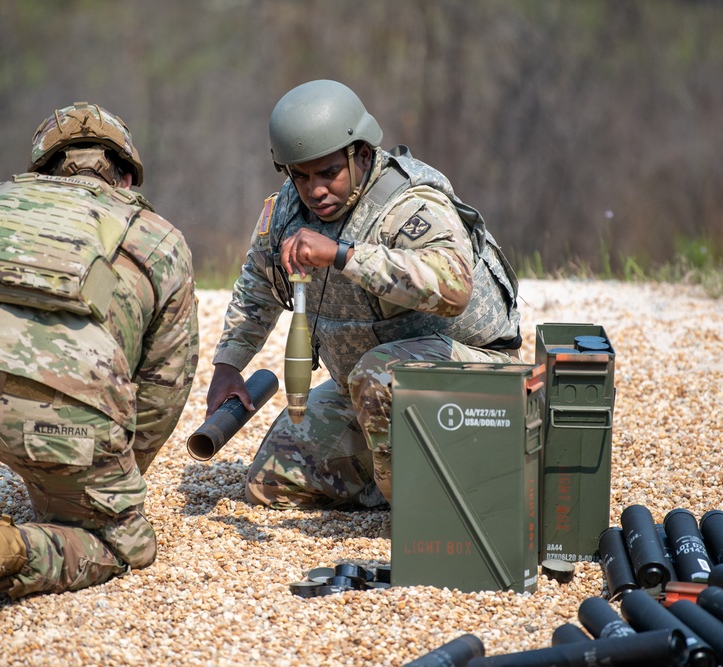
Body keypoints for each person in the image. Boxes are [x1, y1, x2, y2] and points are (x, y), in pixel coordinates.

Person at [0, 102, 199, 634]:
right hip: (72, 418)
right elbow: (167, 385)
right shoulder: (160, 238)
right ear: (124, 175)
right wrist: (114, 472)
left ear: (43, 171)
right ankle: (9, 546)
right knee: (126, 547)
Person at [206, 80, 522, 511]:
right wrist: (228, 365)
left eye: (328, 173)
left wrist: (341, 255)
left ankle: (426, 513)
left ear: (363, 155)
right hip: (367, 391)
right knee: (273, 482)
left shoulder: (410, 205)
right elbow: (258, 283)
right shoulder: (286, 209)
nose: (315, 190)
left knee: (380, 373)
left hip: (470, 381)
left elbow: (454, 286)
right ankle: (398, 480)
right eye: (300, 176)